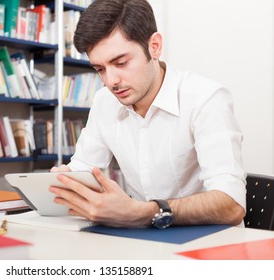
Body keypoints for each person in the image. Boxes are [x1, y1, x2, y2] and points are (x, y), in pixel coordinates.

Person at [50, 0, 246, 228]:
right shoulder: (104, 102)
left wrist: (144, 212)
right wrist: (65, 180)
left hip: (208, 243)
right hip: (143, 240)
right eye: (100, 69)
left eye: (121, 63)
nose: (111, 81)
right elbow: (83, 166)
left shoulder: (206, 99)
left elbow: (231, 204)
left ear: (154, 46)